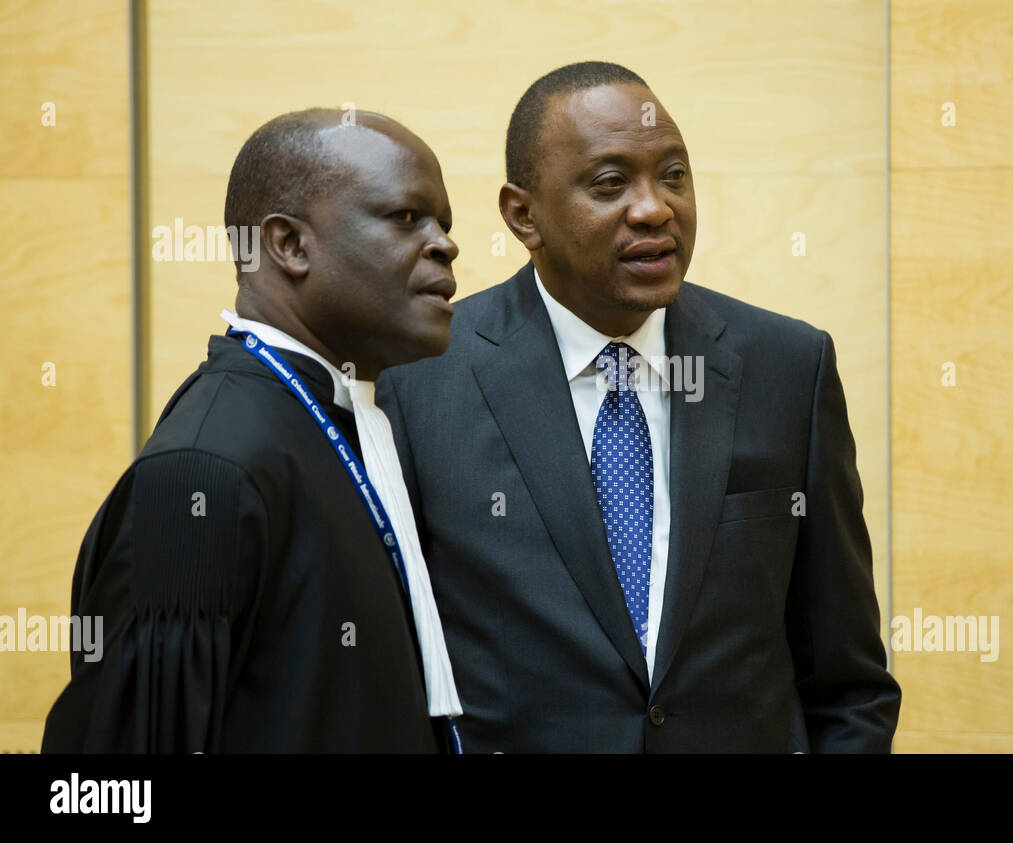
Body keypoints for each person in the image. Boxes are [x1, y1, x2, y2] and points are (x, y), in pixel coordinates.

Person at [376, 62, 901, 752]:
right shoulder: (420, 379)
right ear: (522, 214)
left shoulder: (787, 367)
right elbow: (387, 674)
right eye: (610, 183)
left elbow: (847, 681)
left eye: (674, 175)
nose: (655, 208)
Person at [43, 108, 463, 752]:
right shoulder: (207, 468)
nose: (444, 243)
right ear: (288, 245)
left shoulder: (338, 418)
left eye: (443, 223)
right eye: (406, 218)